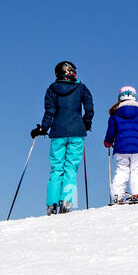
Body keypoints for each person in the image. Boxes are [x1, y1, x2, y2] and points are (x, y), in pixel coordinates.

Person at [30, 61, 94, 215]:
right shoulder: (81, 88)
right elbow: (89, 107)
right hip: (76, 132)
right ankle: (66, 201)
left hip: (57, 133)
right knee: (71, 168)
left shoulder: (52, 89)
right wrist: (85, 123)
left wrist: (43, 128)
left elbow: (49, 112)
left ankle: (51, 204)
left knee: (56, 168)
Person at [103, 86, 138, 203]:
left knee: (122, 170)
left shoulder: (114, 115)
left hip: (121, 148)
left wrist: (108, 142)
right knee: (137, 169)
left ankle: (117, 195)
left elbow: (111, 131)